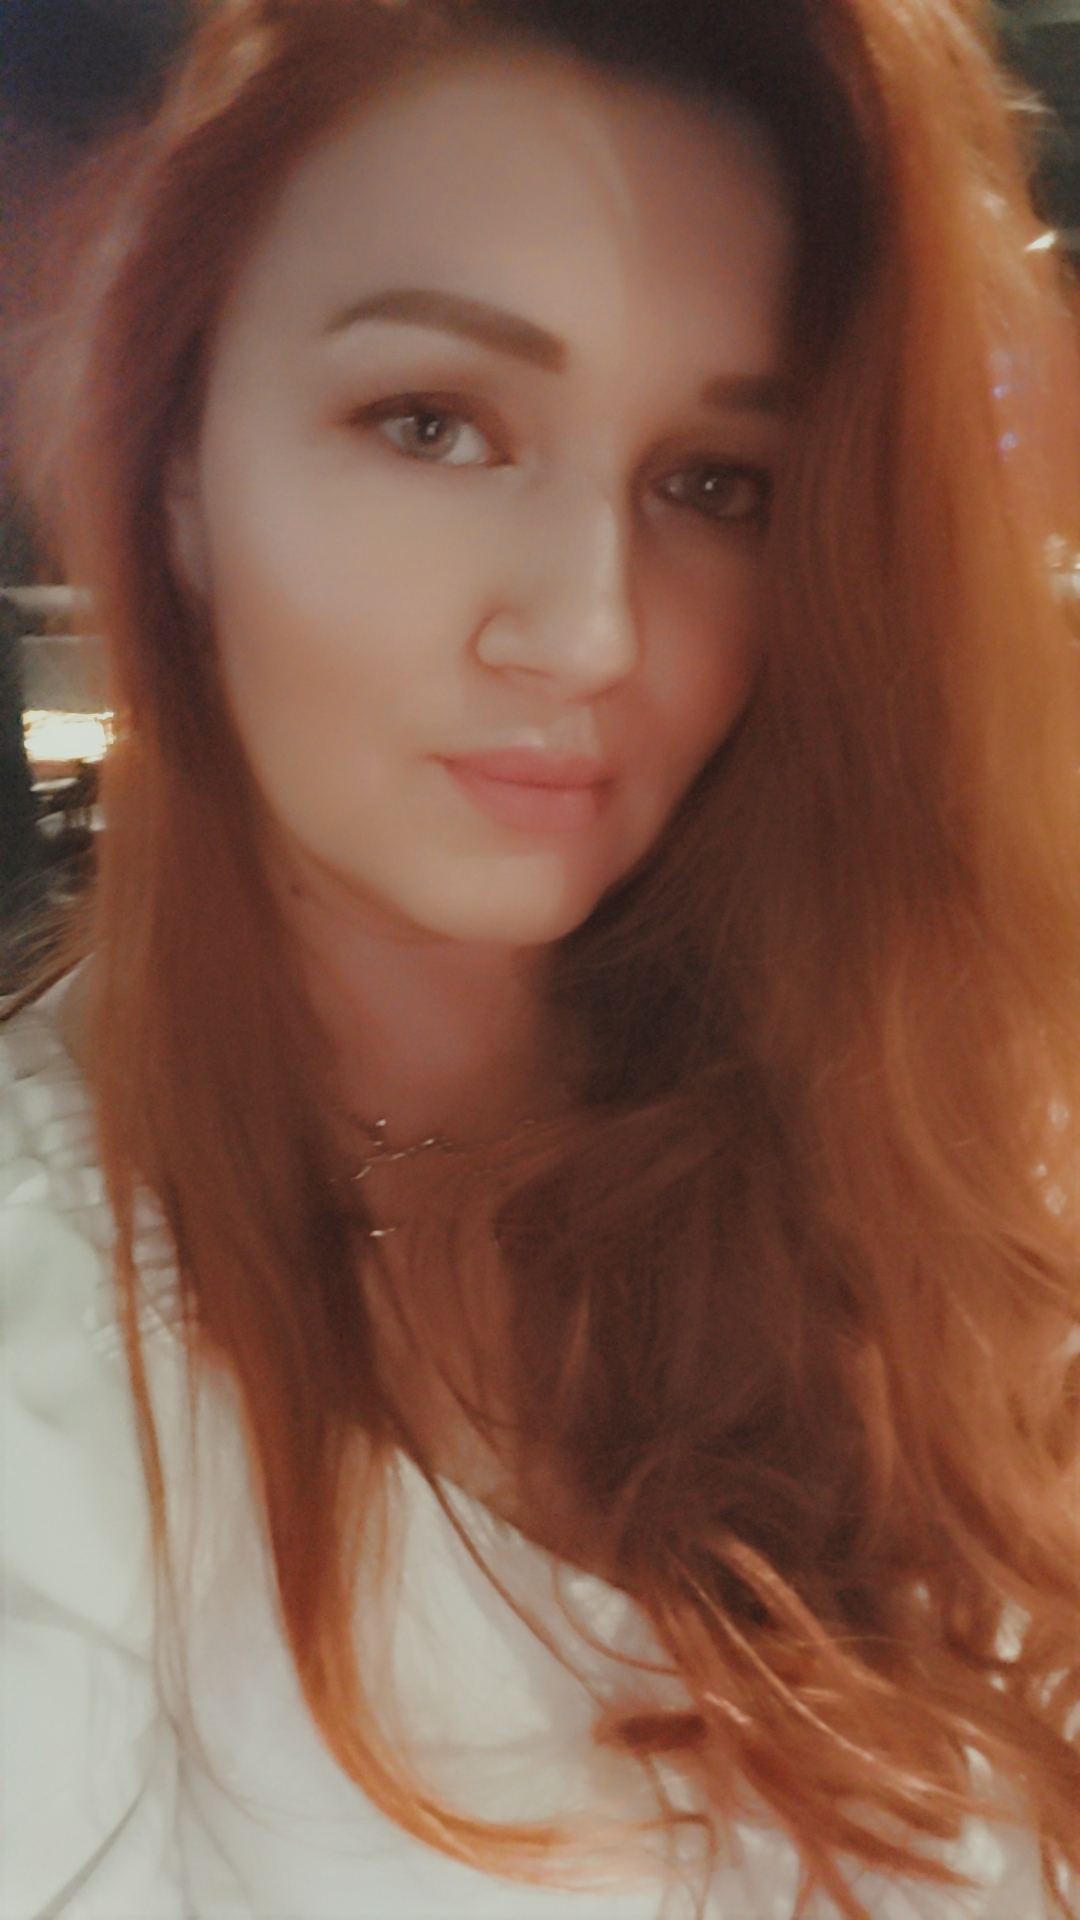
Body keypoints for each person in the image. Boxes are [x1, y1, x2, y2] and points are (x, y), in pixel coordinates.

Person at [3, 0, 1079, 1914]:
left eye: (715, 482)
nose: (589, 633)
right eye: (430, 422)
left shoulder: (938, 1146)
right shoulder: (54, 1373)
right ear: (177, 472)